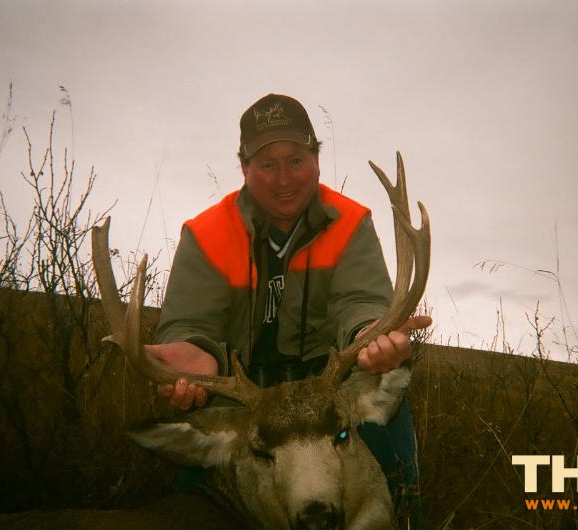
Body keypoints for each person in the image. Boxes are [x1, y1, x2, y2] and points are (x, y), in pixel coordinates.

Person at [145, 93, 431, 524]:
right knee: (196, 510)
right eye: (267, 164)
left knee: (396, 485)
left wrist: (370, 334)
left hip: (328, 391)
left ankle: (406, 510)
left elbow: (361, 301)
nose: (283, 179)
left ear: (317, 160)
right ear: (244, 167)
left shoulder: (350, 222)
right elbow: (190, 322)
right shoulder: (206, 234)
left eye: (296, 160)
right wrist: (195, 353)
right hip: (247, 400)